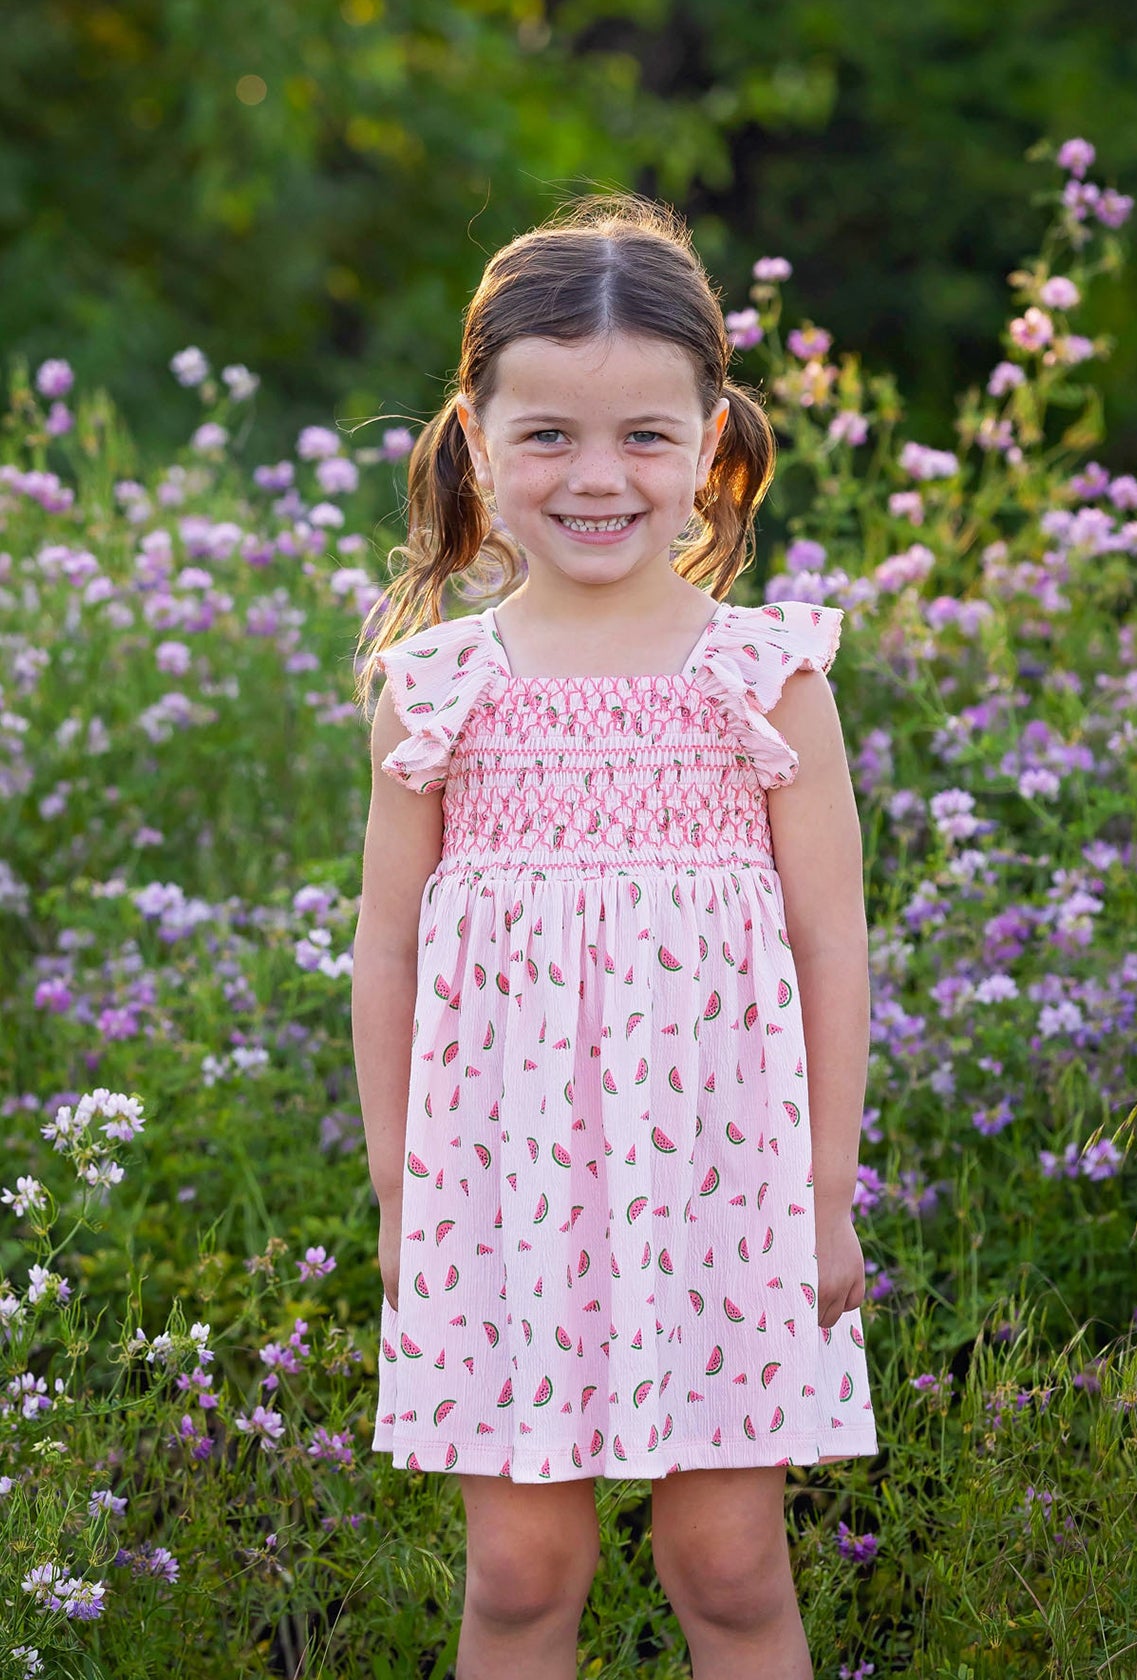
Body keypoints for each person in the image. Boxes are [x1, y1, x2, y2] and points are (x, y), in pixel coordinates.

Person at [351, 194, 877, 1680]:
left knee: (727, 1568)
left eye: (646, 435)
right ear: (475, 438)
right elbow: (386, 950)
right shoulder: (438, 690)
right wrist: (403, 1197)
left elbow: (830, 941)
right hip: (498, 1189)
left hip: (730, 1183)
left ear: (713, 439)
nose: (598, 477)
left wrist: (826, 1194)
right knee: (522, 1576)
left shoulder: (764, 679)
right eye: (549, 437)